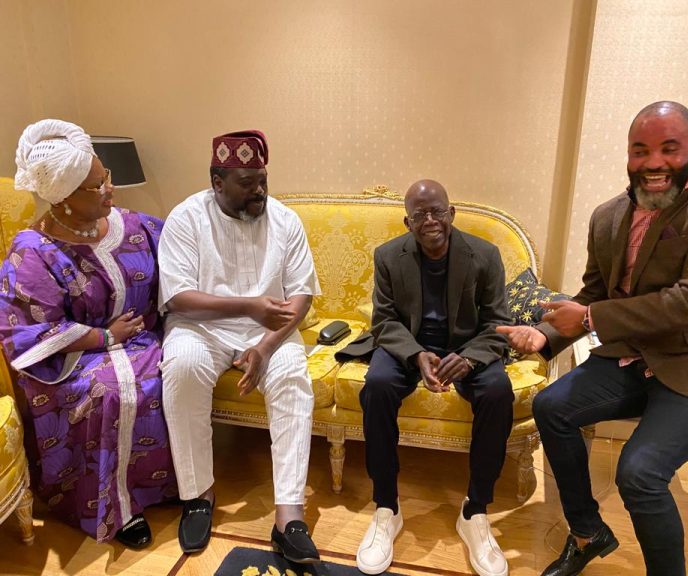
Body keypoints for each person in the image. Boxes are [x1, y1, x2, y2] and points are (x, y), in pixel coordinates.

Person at [498, 101, 688, 576]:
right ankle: (587, 533)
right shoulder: (607, 217)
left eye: (670, 148)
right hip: (639, 354)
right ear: (628, 153)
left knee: (640, 473)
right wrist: (543, 335)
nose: (654, 163)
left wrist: (588, 319)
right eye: (641, 150)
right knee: (551, 406)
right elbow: (594, 293)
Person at [0, 119, 177, 548]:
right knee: (111, 392)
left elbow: (180, 261)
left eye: (106, 178)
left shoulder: (134, 225)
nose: (110, 191)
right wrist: (104, 338)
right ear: (62, 199)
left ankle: (163, 487)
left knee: (175, 371)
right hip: (75, 357)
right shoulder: (33, 252)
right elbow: (29, 331)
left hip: (143, 338)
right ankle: (115, 508)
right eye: (96, 186)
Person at [158, 130, 321, 561]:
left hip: (268, 330)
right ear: (217, 181)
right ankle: (198, 495)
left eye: (263, 179)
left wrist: (265, 348)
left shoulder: (285, 220)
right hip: (201, 327)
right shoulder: (185, 218)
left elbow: (301, 295)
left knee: (291, 375)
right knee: (182, 367)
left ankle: (289, 514)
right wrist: (248, 306)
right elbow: (177, 297)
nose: (259, 191)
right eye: (246, 183)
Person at [354, 179, 513, 576]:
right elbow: (385, 321)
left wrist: (471, 358)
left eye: (437, 211)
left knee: (498, 389)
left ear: (451, 213)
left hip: (468, 348)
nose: (430, 220)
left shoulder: (485, 254)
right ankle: (387, 507)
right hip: (411, 346)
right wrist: (416, 353)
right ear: (407, 222)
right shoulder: (388, 256)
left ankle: (475, 511)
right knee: (377, 385)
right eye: (420, 214)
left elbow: (498, 323)